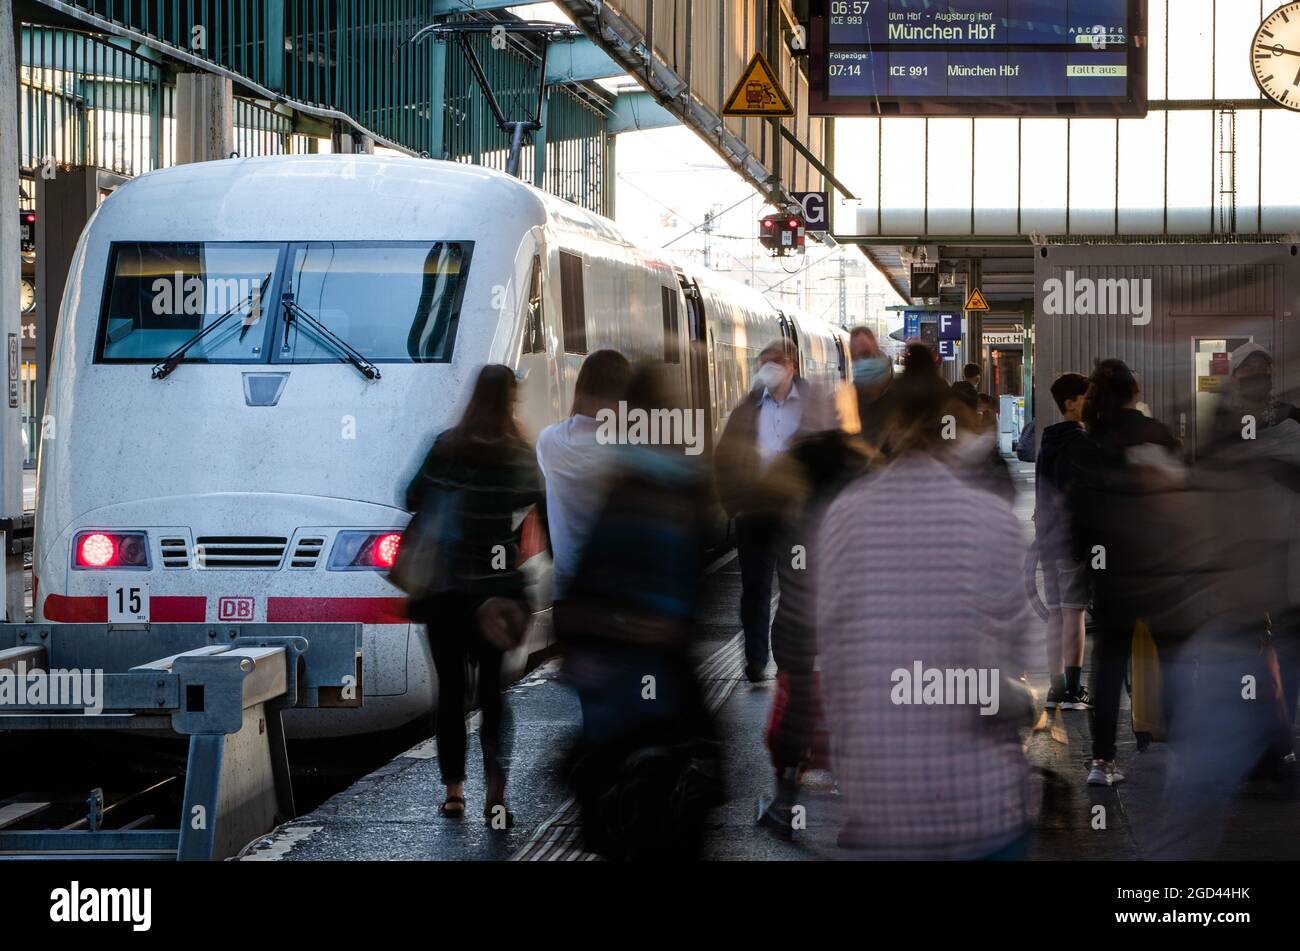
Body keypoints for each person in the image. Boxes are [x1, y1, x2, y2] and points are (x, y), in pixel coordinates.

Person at [815, 348, 1040, 859]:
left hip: (882, 803)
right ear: (952, 430)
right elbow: (1021, 654)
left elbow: (832, 655)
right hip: (980, 804)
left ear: (886, 428)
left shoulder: (843, 518)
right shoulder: (992, 519)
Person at [557, 364, 722, 859]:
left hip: (612, 685)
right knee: (686, 789)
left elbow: (582, 588)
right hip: (665, 675)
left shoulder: (611, 481)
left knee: (613, 797)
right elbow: (692, 587)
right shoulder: (688, 487)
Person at [404, 365, 544, 826]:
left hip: (445, 591)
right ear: (510, 401)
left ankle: (453, 793)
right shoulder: (519, 453)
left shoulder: (446, 446)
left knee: (450, 692)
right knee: (493, 693)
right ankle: (496, 797)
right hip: (498, 596)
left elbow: (411, 498)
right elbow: (541, 507)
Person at [1060, 359, 1180, 787]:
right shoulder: (1156, 433)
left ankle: (1101, 761)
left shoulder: (1088, 442)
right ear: (1135, 388)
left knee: (1109, 662)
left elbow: (1074, 513)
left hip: (1110, 569)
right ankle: (1182, 753)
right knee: (1173, 658)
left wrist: (1090, 560)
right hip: (1161, 566)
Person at [714, 340, 821, 683]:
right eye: (762, 363)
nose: (766, 370)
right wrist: (735, 504)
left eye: (773, 363)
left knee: (797, 588)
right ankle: (756, 660)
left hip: (798, 517)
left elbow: (833, 456)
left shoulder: (814, 407)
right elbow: (725, 457)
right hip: (755, 515)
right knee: (755, 590)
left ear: (791, 366)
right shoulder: (748, 408)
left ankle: (788, 660)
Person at [536, 350, 632, 600]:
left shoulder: (548, 441)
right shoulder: (631, 448)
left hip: (568, 590)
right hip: (621, 588)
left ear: (580, 388)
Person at [1035, 373, 1092, 712]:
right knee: (1074, 613)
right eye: (1087, 397)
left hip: (1048, 536)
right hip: (1071, 538)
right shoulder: (1079, 442)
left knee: (1056, 614)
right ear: (1070, 403)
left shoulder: (1049, 440)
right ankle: (1073, 689)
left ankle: (1056, 688)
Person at [848, 326, 897, 455]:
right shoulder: (845, 400)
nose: (866, 363)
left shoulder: (901, 391)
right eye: (860, 356)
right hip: (865, 467)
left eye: (868, 355)